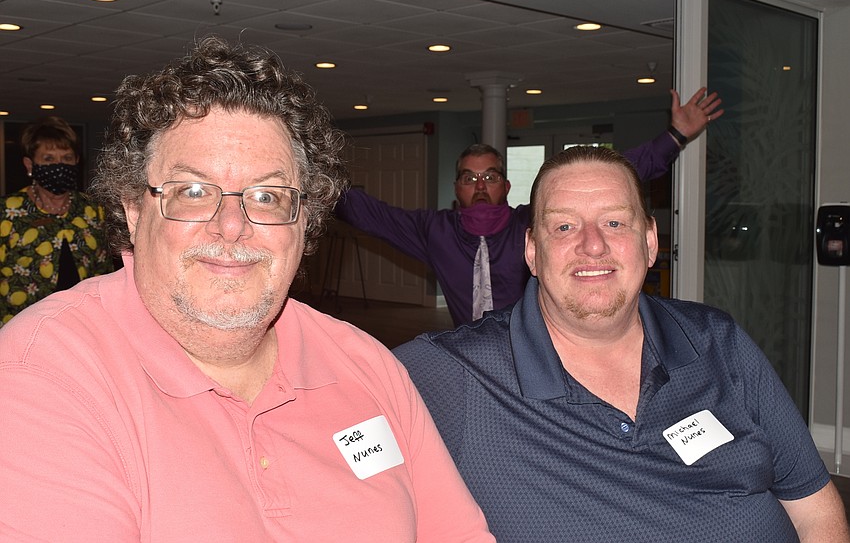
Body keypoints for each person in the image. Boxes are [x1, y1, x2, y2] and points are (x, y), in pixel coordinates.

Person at [0, 37, 494, 542]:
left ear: (304, 220)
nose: (232, 225)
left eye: (267, 195)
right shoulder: (46, 371)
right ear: (133, 209)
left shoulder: (368, 365)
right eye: (193, 192)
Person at [393, 146, 850, 542]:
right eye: (565, 227)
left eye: (614, 222)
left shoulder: (717, 341)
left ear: (650, 242)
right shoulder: (458, 371)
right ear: (532, 251)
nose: (593, 246)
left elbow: (814, 507)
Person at [335, 88, 723, 326]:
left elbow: (612, 175)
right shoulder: (434, 231)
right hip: (471, 350)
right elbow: (368, 213)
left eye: (489, 176)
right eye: (469, 178)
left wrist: (674, 137)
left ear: (505, 185)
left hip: (540, 346)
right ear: (457, 188)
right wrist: (317, 179)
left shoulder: (530, 224)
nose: (480, 186)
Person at [0, 116, 114, 326]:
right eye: (49, 159)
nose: (59, 166)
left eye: (67, 158)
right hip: (20, 325)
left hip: (81, 323)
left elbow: (104, 271)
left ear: (76, 161)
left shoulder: (93, 210)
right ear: (30, 165)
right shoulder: (8, 211)